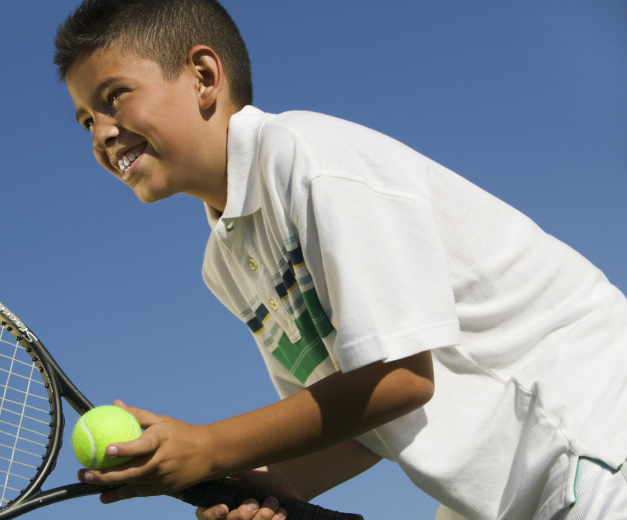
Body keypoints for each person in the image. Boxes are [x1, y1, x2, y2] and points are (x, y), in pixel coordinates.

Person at [52, 1, 627, 518]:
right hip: (512, 492)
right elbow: (364, 416)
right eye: (85, 120)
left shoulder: (308, 159)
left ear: (203, 77)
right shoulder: (223, 264)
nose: (101, 132)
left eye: (114, 97)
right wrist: (276, 483)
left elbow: (401, 379)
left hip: (588, 433)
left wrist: (207, 447)